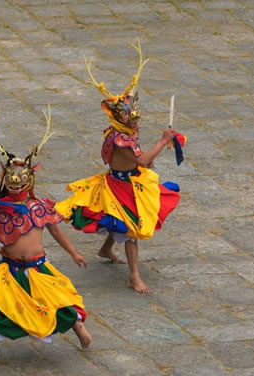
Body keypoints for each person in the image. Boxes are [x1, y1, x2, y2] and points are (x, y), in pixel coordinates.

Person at [0, 105, 91, 371]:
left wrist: (73, 253)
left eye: (20, 180)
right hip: (8, 270)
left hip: (38, 267)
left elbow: (56, 230)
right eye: (11, 180)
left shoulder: (40, 207)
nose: (15, 184)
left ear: (29, 181)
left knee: (59, 302)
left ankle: (78, 326)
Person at [55, 41, 181, 294]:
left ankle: (105, 249)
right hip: (119, 186)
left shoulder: (122, 132)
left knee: (121, 222)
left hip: (129, 180)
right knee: (131, 228)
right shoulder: (119, 138)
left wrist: (149, 154)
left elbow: (141, 159)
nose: (133, 118)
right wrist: (163, 141)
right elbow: (143, 160)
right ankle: (134, 277)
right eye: (128, 115)